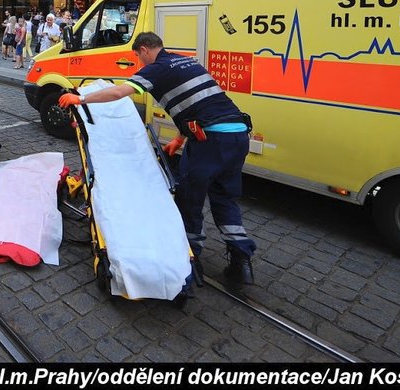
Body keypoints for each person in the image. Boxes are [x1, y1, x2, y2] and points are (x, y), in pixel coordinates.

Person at [58, 31, 256, 286]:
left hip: (211, 141)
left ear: (144, 50)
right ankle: (242, 264)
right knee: (224, 196)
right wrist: (180, 139)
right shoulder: (187, 61)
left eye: (138, 57)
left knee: (189, 198)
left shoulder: (158, 68)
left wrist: (81, 98)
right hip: (238, 135)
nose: (140, 63)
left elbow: (119, 93)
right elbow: (199, 104)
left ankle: (188, 258)